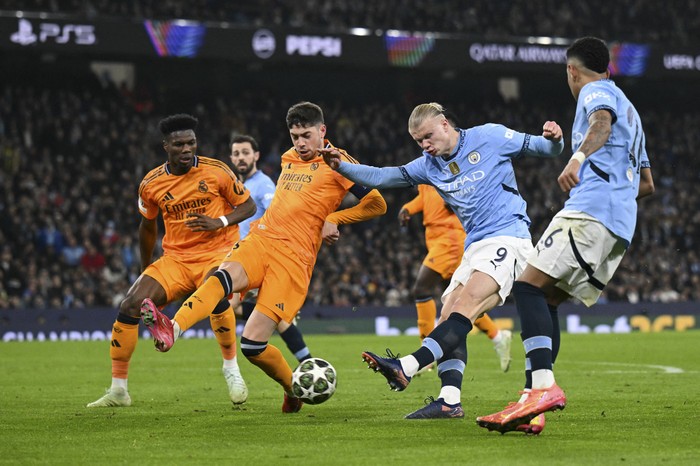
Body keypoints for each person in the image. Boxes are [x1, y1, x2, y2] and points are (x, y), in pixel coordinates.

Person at [321, 102, 564, 420]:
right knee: (448, 311)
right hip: (475, 246)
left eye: (428, 136)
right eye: (419, 141)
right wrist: (342, 166)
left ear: (445, 124)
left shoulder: (489, 137)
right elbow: (383, 177)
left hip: (509, 238)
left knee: (467, 304)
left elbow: (545, 149)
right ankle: (449, 400)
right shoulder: (427, 166)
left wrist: (555, 138)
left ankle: (405, 366)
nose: (425, 145)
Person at [140, 102, 387, 413]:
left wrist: (336, 218)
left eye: (306, 135)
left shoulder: (338, 162)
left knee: (252, 345)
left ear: (322, 132)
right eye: (295, 135)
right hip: (262, 239)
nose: (300, 143)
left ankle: (292, 389)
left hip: (294, 259)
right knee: (221, 278)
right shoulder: (288, 157)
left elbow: (378, 203)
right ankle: (172, 328)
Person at [476, 37, 655, 434]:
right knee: (549, 297)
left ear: (572, 70)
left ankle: (542, 389)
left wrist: (576, 159)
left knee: (527, 287)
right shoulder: (633, 110)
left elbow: (601, 124)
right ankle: (531, 404)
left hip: (589, 211)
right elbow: (647, 184)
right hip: (619, 224)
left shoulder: (595, 93)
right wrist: (614, 196)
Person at [87, 114, 257, 408]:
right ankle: (118, 390)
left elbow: (249, 206)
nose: (186, 149)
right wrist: (145, 272)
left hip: (218, 254)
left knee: (214, 292)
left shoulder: (216, 171)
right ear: (166, 146)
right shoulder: (151, 184)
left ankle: (231, 368)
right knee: (129, 305)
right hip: (176, 259)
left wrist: (220, 221)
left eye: (191, 142)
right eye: (179, 144)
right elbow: (147, 226)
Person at [399, 184, 513, 373]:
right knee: (458, 302)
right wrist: (408, 208)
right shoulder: (428, 166)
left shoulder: (449, 165)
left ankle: (426, 355)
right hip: (436, 238)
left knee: (421, 289)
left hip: (450, 239)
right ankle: (498, 337)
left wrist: (456, 198)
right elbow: (426, 196)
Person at [229, 134, 313, 363]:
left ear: (256, 155)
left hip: (259, 257)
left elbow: (278, 211)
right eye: (236, 153)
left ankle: (231, 366)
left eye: (245, 152)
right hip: (244, 256)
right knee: (274, 315)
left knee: (228, 305)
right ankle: (307, 360)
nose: (241, 158)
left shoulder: (263, 184)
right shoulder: (238, 186)